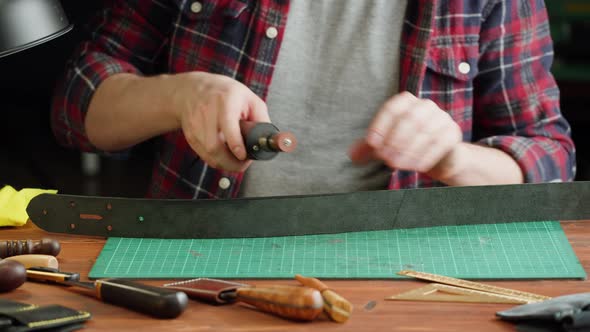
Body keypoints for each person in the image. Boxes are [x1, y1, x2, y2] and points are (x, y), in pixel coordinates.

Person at [51, 0, 576, 199]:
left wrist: (453, 159)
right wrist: (179, 94)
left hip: (404, 274)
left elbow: (550, 159)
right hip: (202, 261)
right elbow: (77, 105)